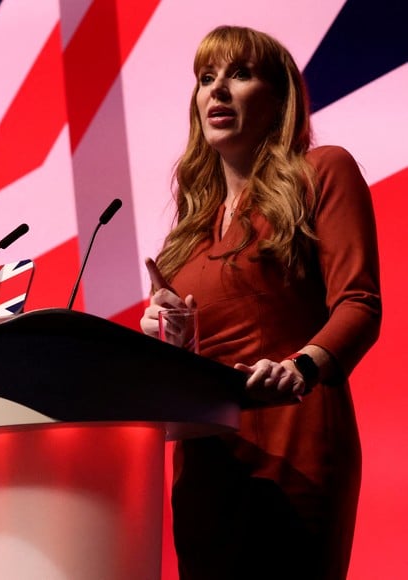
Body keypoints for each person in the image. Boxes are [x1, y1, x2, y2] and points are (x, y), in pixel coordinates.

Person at [140, 25, 382, 580]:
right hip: (206, 458)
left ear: (279, 98)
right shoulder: (190, 229)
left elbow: (360, 304)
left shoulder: (322, 171)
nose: (217, 90)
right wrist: (170, 332)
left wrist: (301, 367)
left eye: (240, 74)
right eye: (206, 78)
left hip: (293, 433)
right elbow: (190, 356)